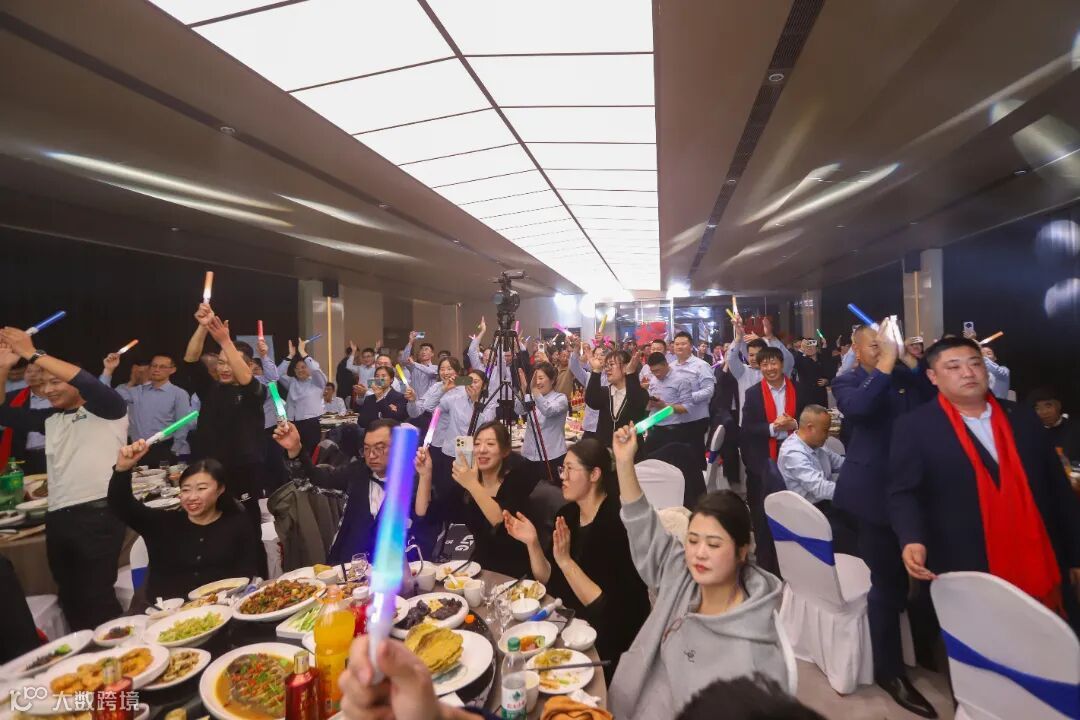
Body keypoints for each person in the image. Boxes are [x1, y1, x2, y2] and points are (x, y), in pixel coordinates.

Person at [890, 337, 1080, 626]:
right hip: (966, 558)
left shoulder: (1022, 417)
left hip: (1042, 553)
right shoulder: (916, 426)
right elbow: (904, 492)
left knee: (1054, 637)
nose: (968, 373)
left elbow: (1058, 488)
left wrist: (1075, 554)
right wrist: (911, 537)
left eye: (975, 364)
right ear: (932, 376)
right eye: (954, 367)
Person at [608, 424, 785, 720]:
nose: (699, 553)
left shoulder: (752, 650)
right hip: (624, 705)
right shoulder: (682, 576)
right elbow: (642, 523)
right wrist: (625, 462)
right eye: (692, 540)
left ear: (742, 551)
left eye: (713, 544)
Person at [830, 319, 937, 717]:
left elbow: (933, 399)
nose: (882, 350)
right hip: (873, 496)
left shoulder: (904, 376)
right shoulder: (848, 382)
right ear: (857, 351)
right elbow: (860, 409)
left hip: (919, 491)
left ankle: (926, 650)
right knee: (888, 584)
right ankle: (890, 672)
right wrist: (887, 365)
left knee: (930, 577)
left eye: (885, 343)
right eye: (874, 346)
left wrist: (909, 361)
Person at [0, 328, 128, 630]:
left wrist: (32, 354)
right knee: (70, 598)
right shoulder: (50, 419)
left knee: (97, 598)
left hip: (98, 513)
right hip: (59, 517)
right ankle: (84, 654)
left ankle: (118, 653)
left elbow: (87, 382)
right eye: (43, 384)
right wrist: (4, 368)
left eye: (55, 381)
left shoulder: (108, 409)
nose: (48, 390)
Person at [504, 438, 650, 680]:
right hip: (569, 620)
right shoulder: (568, 514)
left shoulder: (617, 523)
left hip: (607, 640)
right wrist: (532, 543)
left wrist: (566, 562)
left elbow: (605, 608)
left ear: (594, 475)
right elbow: (547, 577)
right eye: (563, 468)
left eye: (570, 469)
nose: (563, 476)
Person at [109, 440, 258, 601]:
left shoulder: (237, 525)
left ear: (220, 489)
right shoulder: (162, 524)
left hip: (224, 607)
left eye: (201, 489)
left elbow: (247, 573)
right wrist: (122, 470)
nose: (192, 497)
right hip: (166, 611)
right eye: (186, 490)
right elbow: (121, 505)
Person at [182, 303, 268, 570]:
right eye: (220, 362)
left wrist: (226, 342)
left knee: (247, 531)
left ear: (249, 365)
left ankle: (256, 579)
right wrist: (202, 327)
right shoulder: (211, 388)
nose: (225, 368)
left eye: (230, 362)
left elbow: (246, 379)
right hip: (210, 473)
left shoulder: (255, 392)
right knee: (214, 534)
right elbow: (190, 359)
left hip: (242, 473)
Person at [275, 419, 431, 564]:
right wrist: (295, 450)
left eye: (379, 448)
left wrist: (425, 477)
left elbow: (423, 523)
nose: (371, 455)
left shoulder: (416, 478)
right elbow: (309, 482)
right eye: (367, 448)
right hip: (349, 569)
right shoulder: (358, 472)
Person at [439, 421, 533, 577]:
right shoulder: (468, 481)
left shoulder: (518, 479)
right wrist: (425, 474)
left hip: (515, 573)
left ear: (505, 451)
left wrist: (472, 484)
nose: (482, 450)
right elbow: (428, 513)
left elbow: (502, 523)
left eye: (490, 444)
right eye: (476, 444)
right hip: (479, 569)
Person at [739, 346, 801, 574]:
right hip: (764, 459)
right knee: (762, 515)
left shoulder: (799, 389)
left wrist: (794, 424)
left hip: (795, 457)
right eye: (764, 364)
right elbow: (748, 428)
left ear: (782, 364)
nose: (769, 368)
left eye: (773, 363)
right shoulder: (753, 393)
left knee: (794, 512)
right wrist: (773, 427)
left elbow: (811, 418)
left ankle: (795, 564)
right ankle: (767, 568)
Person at [778, 405, 856, 553]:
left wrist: (862, 470)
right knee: (855, 539)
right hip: (809, 514)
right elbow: (820, 488)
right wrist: (854, 492)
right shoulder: (793, 453)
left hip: (825, 506)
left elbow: (840, 463)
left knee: (863, 522)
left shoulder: (817, 445)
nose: (827, 436)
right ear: (810, 428)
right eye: (825, 430)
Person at [101, 352, 192, 466]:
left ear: (172, 370)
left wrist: (175, 449)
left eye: (162, 367)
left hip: (164, 449)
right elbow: (104, 396)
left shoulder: (179, 393)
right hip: (136, 449)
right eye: (154, 366)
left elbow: (182, 424)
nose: (157, 369)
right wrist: (108, 370)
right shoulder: (137, 392)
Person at [725, 316, 794, 425]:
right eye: (751, 355)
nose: (754, 358)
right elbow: (731, 358)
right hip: (749, 425)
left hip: (778, 423)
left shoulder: (773, 372)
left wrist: (769, 338)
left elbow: (788, 361)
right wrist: (738, 336)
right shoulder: (743, 371)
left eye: (758, 354)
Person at [584, 349, 647, 457]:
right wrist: (596, 370)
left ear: (626, 367)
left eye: (612, 364)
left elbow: (635, 404)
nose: (607, 369)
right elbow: (591, 400)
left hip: (631, 454)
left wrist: (630, 374)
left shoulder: (640, 393)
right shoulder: (605, 392)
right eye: (606, 365)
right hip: (605, 454)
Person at [514, 361, 568, 483]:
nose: (537, 382)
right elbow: (518, 410)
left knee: (552, 492)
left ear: (552, 380)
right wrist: (523, 389)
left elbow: (548, 410)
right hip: (529, 455)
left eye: (541, 378)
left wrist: (534, 390)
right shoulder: (531, 397)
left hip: (552, 456)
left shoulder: (560, 399)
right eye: (535, 379)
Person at [669, 331, 716, 467]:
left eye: (683, 344)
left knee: (694, 459)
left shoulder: (701, 365)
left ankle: (699, 480)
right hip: (675, 419)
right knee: (679, 459)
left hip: (695, 419)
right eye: (677, 344)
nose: (679, 347)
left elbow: (709, 390)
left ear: (691, 347)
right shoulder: (671, 367)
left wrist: (687, 398)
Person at [277, 338, 328, 454]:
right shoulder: (292, 382)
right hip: (291, 423)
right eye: (297, 368)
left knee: (308, 454)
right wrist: (290, 356)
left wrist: (303, 352)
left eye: (303, 367)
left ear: (309, 368)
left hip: (310, 424)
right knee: (292, 454)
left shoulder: (317, 382)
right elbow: (277, 374)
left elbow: (315, 369)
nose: (300, 370)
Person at [0, 362, 50, 473]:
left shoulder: (58, 397)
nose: (32, 375)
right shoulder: (12, 397)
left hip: (53, 454)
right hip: (23, 457)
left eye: (38, 371)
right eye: (29, 371)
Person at [642, 352, 693, 453]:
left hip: (673, 429)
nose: (656, 374)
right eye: (653, 371)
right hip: (654, 426)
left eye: (658, 370)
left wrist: (665, 406)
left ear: (665, 364)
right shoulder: (654, 380)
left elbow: (687, 408)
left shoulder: (681, 380)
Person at [1029, 386, 1080, 461]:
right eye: (1037, 408)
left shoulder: (1075, 429)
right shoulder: (1031, 434)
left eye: (1048, 406)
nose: (1044, 412)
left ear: (1058, 405)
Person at [400, 331, 439, 400]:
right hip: (414, 401)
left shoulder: (436, 368)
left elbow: (431, 372)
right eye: (421, 350)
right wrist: (410, 342)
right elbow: (404, 360)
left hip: (429, 403)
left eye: (426, 349)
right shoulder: (413, 367)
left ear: (432, 354)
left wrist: (414, 363)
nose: (423, 352)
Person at [793, 338, 830, 409]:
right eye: (807, 346)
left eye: (812, 346)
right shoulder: (801, 360)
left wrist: (827, 381)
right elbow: (794, 364)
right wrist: (801, 349)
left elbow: (830, 374)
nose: (809, 348)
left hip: (821, 395)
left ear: (817, 348)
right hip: (807, 396)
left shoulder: (822, 359)